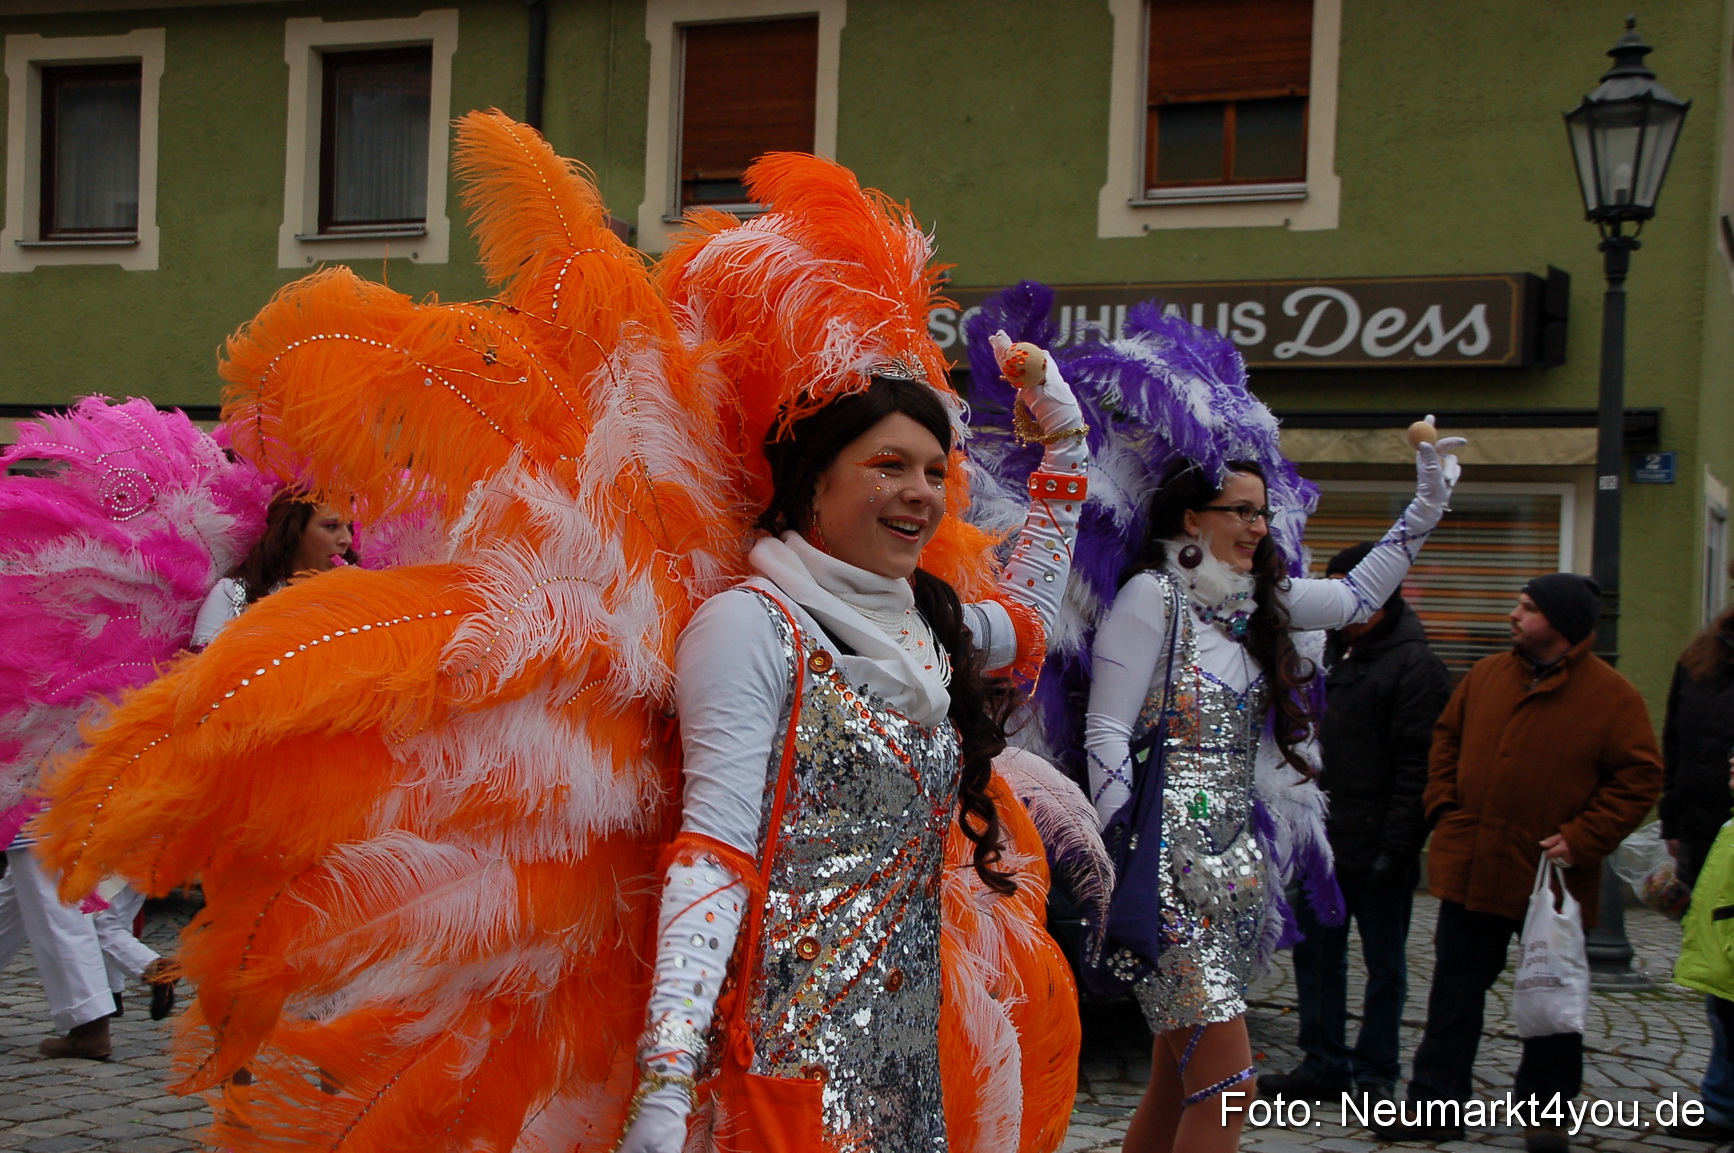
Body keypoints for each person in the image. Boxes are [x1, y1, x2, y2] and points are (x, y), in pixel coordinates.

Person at [1085, 439, 1462, 1153]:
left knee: (1178, 1074)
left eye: (1264, 512)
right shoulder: (1152, 595)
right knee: (1229, 1089)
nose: (1260, 526)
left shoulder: (1263, 603)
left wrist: (1427, 503)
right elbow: (1105, 726)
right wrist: (1117, 844)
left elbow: (1356, 597)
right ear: (1193, 518)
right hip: (1166, 872)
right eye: (1243, 511)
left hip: (1233, 871)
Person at [1374, 573, 1663, 1152]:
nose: (1514, 614)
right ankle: (1434, 1106)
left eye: (1527, 608)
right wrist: (1445, 807)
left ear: (1562, 624)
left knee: (1551, 1003)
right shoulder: (1487, 675)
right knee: (1454, 997)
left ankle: (1547, 1119)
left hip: (1551, 883)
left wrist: (1582, 837)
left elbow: (1639, 779)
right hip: (1472, 866)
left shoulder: (1612, 697)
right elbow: (1445, 741)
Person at [1257, 541, 1450, 1104]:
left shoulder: (1415, 665)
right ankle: (1323, 1061)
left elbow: (1422, 765)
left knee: (1384, 964)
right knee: (1318, 956)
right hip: (1324, 841)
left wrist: (1399, 844)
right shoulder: (1322, 652)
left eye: (1351, 588)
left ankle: (1376, 1069)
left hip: (1380, 842)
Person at [191, 489, 356, 648]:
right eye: (331, 526)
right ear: (294, 531)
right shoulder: (233, 594)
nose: (346, 540)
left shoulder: (354, 602)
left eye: (349, 528)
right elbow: (199, 671)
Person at [1670, 753, 1734, 1145]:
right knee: (1723, 1027)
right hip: (1724, 958)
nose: (1731, 759)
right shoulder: (1730, 822)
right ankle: (1721, 1108)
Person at [1661, 594, 1734, 887]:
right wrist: (1673, 822)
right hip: (1699, 834)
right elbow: (1674, 744)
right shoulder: (1701, 658)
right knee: (1701, 928)